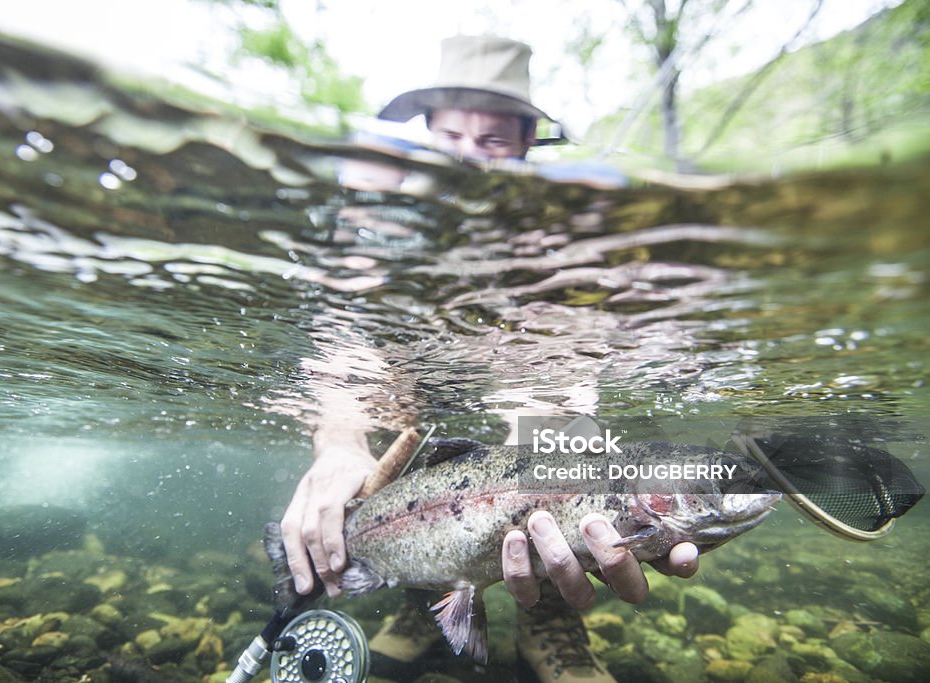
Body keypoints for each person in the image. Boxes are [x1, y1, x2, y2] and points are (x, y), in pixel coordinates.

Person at [279, 35, 701, 682]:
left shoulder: (561, 236)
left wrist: (543, 436)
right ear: (427, 132)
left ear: (529, 141)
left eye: (494, 140)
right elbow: (345, 341)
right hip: (416, 397)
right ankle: (428, 598)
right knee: (424, 477)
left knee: (557, 474)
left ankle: (551, 618)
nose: (468, 157)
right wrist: (339, 437)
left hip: (533, 402)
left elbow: (563, 371)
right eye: (451, 134)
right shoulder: (377, 221)